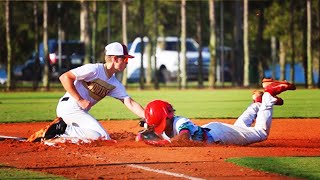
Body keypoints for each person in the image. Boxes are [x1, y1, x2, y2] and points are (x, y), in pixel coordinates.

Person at [27, 42, 145, 144]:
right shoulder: (94, 69)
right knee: (103, 137)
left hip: (77, 112)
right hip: (70, 107)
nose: (127, 62)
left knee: (94, 135)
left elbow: (130, 103)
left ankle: (57, 134)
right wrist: (80, 99)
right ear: (114, 59)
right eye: (125, 59)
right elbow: (64, 77)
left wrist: (148, 118)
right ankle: (63, 130)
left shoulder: (114, 83)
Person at [136, 79, 296, 146]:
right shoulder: (163, 123)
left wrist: (162, 143)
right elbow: (148, 128)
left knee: (261, 133)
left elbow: (184, 137)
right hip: (214, 131)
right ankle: (257, 104)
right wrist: (143, 134)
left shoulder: (179, 122)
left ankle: (268, 96)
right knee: (239, 128)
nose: (160, 128)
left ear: (168, 117)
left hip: (219, 135)